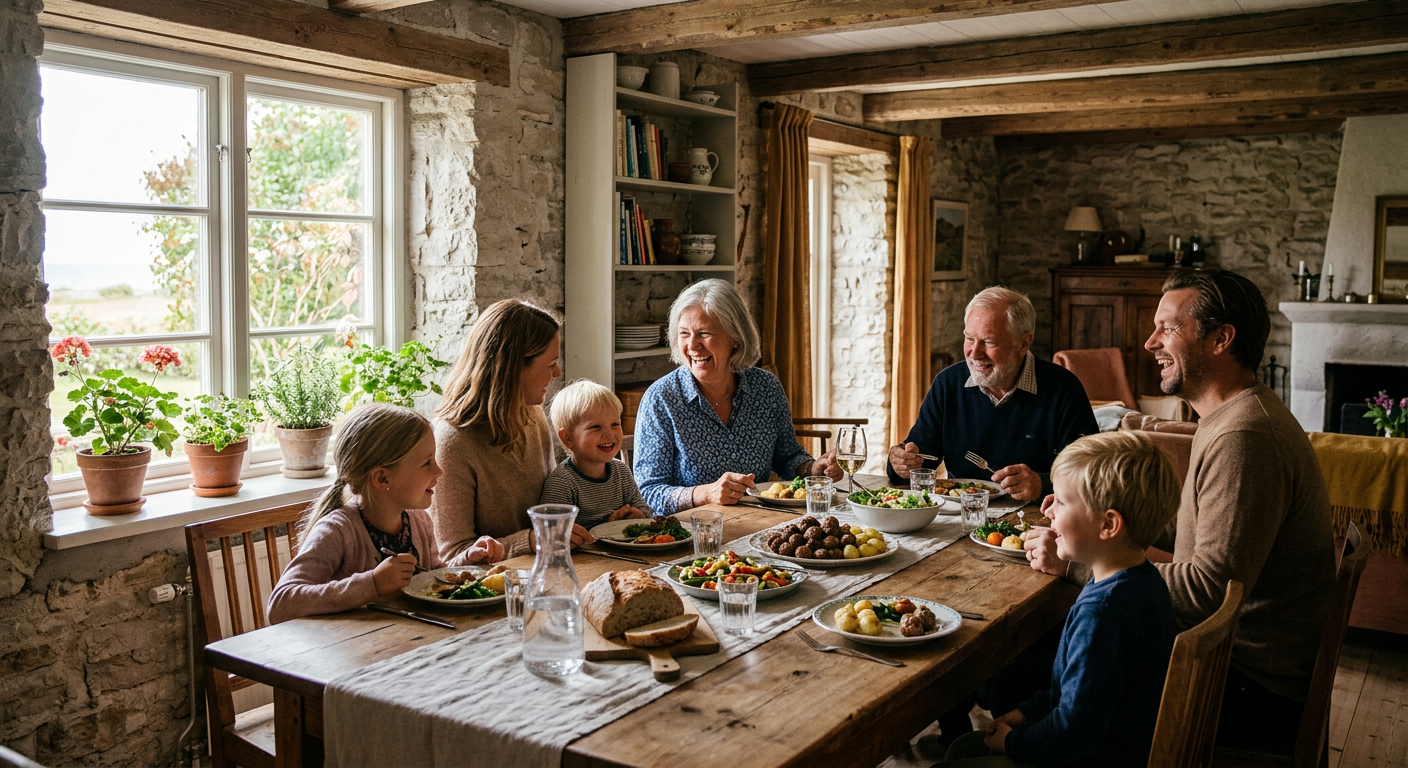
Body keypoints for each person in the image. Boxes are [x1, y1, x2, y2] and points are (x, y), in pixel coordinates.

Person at [1025, 269, 1335, 752]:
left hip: (1244, 685)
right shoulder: (1229, 415)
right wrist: (1097, 519)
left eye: (1168, 327)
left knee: (1034, 663)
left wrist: (1081, 564)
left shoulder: (1244, 437)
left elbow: (1209, 590)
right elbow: (1198, 520)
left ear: (1221, 339)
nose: (1150, 343)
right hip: (1230, 661)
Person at [941, 430, 1181, 767]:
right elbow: (1077, 693)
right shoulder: (1142, 580)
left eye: (1062, 500)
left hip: (1097, 757)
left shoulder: (1104, 614)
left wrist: (1013, 742)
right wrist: (1026, 713)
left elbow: (1073, 733)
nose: (1047, 508)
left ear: (1108, 525)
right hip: (1107, 744)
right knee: (963, 750)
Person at [268, 404, 501, 624]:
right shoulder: (337, 531)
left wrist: (467, 559)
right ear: (382, 478)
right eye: (427, 463)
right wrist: (372, 584)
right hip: (348, 655)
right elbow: (281, 604)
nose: (438, 471)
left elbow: (430, 577)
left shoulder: (418, 521)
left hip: (402, 642)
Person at [633, 279, 842, 515]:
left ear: (735, 338)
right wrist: (705, 493)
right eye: (684, 334)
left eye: (704, 333)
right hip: (688, 535)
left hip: (756, 522)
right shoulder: (662, 398)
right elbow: (647, 492)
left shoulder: (766, 388)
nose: (692, 346)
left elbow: (787, 456)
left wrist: (812, 469)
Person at [888, 287, 1097, 501]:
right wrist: (901, 463)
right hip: (961, 513)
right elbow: (920, 460)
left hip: (1039, 515)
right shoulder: (948, 383)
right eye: (970, 339)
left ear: (1023, 343)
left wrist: (1042, 483)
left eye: (989, 342)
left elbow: (1092, 473)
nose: (974, 353)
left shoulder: (1063, 388)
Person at [430, 299, 595, 562]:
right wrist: (528, 540)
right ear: (513, 367)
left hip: (542, 567)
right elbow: (451, 555)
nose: (557, 372)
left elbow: (550, 504)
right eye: (550, 363)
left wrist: (608, 513)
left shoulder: (531, 413)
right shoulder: (453, 442)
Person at [540, 380, 653, 529]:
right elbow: (553, 531)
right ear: (568, 438)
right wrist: (607, 527)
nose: (609, 434)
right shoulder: (562, 482)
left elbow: (645, 509)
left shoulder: (621, 471)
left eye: (615, 424)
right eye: (596, 427)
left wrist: (638, 514)